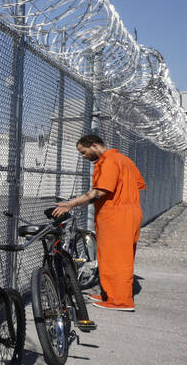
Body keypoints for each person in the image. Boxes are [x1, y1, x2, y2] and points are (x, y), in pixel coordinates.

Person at [52, 133, 145, 312]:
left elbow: (99, 191)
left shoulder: (108, 161)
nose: (83, 156)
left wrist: (70, 203)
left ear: (94, 145)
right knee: (110, 256)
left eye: (84, 152)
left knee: (116, 258)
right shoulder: (124, 160)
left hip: (117, 215)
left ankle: (120, 301)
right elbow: (135, 184)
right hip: (128, 211)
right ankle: (109, 294)